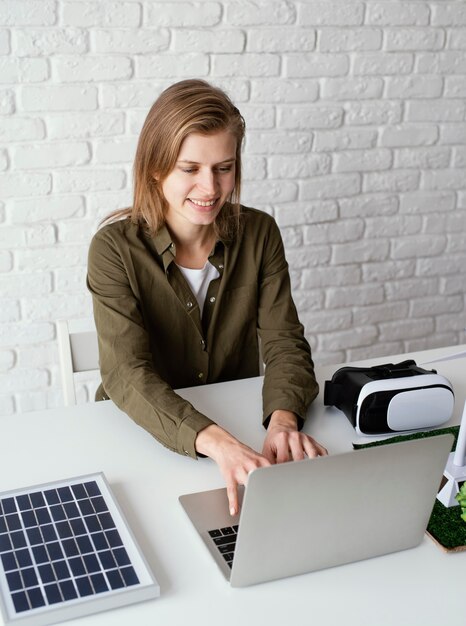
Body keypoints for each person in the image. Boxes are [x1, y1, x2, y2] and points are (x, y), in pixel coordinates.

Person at [87, 79, 327, 516]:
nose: (211, 188)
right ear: (156, 168)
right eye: (190, 168)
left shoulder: (260, 233)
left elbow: (285, 342)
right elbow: (126, 372)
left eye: (224, 167)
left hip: (237, 433)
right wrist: (218, 443)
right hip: (144, 442)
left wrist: (283, 420)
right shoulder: (113, 250)